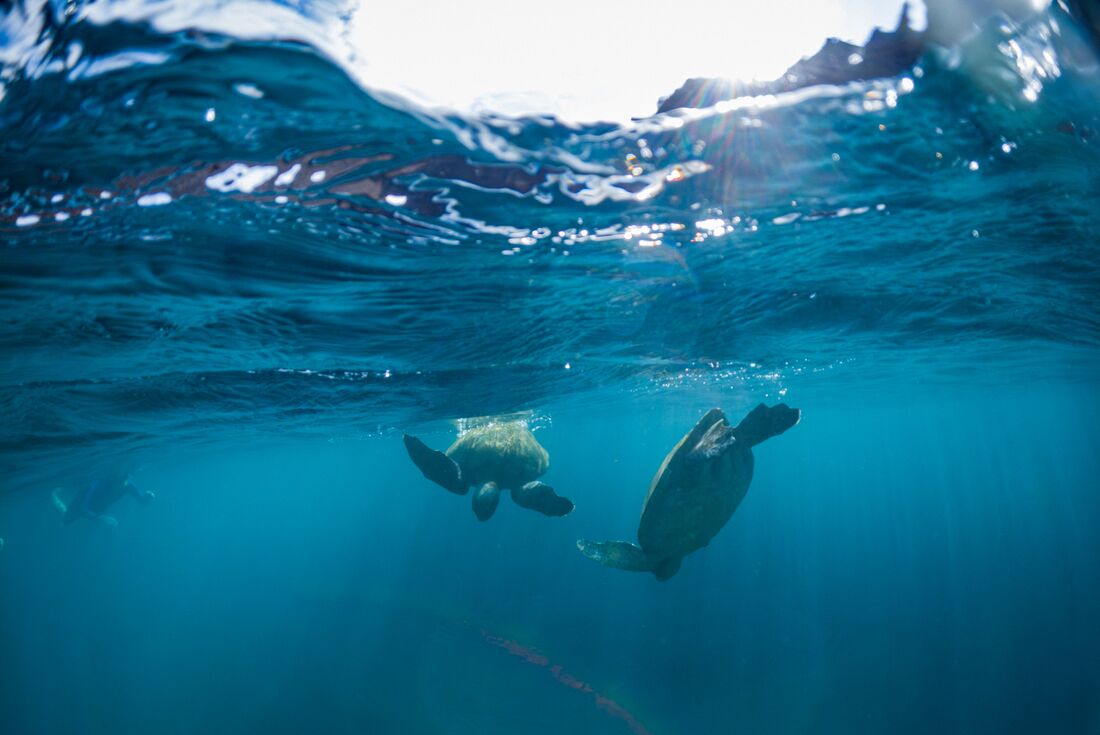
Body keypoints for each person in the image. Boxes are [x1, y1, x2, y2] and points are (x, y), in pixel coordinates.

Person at [52, 473, 154, 527]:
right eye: (119, 481)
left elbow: (142, 502)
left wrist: (148, 497)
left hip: (98, 510)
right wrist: (102, 518)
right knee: (63, 523)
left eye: (125, 480)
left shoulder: (128, 485)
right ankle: (53, 495)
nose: (122, 485)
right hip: (81, 504)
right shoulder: (98, 484)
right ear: (113, 478)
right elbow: (83, 509)